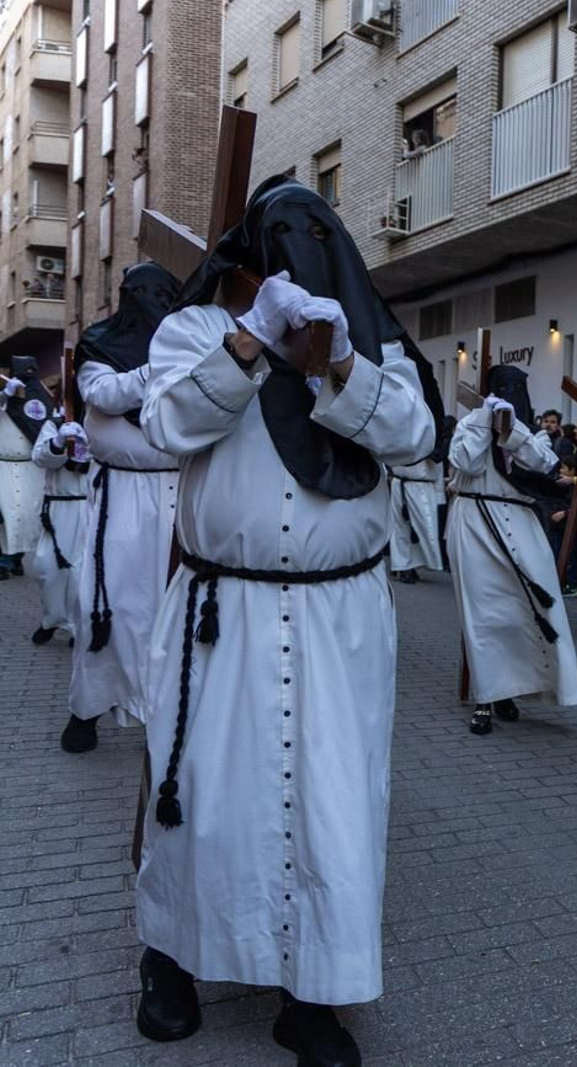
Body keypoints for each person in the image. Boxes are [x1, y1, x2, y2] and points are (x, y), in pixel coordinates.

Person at [134, 178, 440, 1063]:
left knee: (331, 806)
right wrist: (250, 344)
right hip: (221, 615)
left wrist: (340, 365)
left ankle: (313, 994)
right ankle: (170, 957)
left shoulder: (369, 338)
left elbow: (415, 436)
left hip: (338, 621)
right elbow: (165, 424)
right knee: (202, 798)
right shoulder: (194, 330)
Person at [61, 264, 183, 755]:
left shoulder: (190, 344)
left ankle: (167, 712)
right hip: (122, 499)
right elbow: (104, 395)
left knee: (173, 612)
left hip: (181, 496)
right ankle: (87, 709)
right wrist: (163, 365)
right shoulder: (101, 345)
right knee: (109, 605)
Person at [448, 366, 577, 736]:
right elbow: (464, 462)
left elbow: (544, 463)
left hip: (521, 523)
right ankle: (486, 697)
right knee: (484, 614)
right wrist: (484, 420)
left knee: (526, 609)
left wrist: (511, 430)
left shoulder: (531, 433)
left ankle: (512, 689)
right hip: (475, 520)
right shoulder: (469, 425)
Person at [29, 410, 90, 645]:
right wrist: (58, 442)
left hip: (89, 506)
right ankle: (52, 619)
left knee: (80, 570)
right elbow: (40, 458)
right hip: (58, 506)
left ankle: (76, 626)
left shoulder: (101, 425)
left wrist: (91, 446)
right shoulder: (54, 425)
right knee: (48, 567)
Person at [0, 356, 49, 578]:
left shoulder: (40, 399)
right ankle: (3, 561)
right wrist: (5, 394)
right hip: (4, 466)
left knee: (26, 515)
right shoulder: (5, 397)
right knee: (4, 516)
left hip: (31, 468)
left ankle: (16, 559)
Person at [386, 425, 445, 583]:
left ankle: (411, 564)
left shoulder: (431, 430)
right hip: (401, 481)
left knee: (423, 527)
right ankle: (402, 566)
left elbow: (438, 456)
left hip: (421, 484)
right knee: (400, 527)